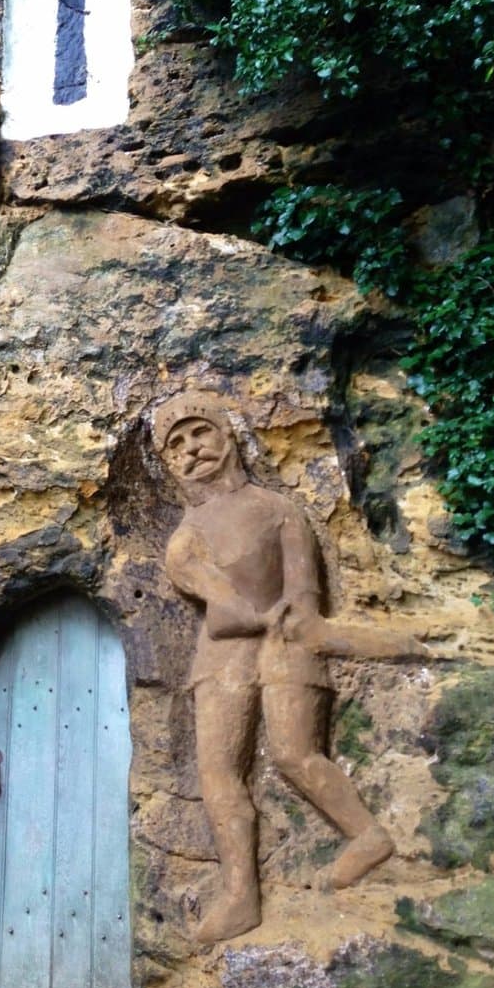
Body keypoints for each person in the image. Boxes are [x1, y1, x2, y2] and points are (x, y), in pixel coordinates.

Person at [154, 393, 401, 946]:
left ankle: (368, 835)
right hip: (221, 655)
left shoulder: (277, 509)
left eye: (200, 433)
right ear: (170, 465)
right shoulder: (184, 538)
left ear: (228, 437)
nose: (192, 450)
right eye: (177, 446)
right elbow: (218, 605)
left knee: (294, 753)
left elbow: (304, 595)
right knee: (218, 772)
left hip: (285, 640)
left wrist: (300, 616)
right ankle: (241, 893)